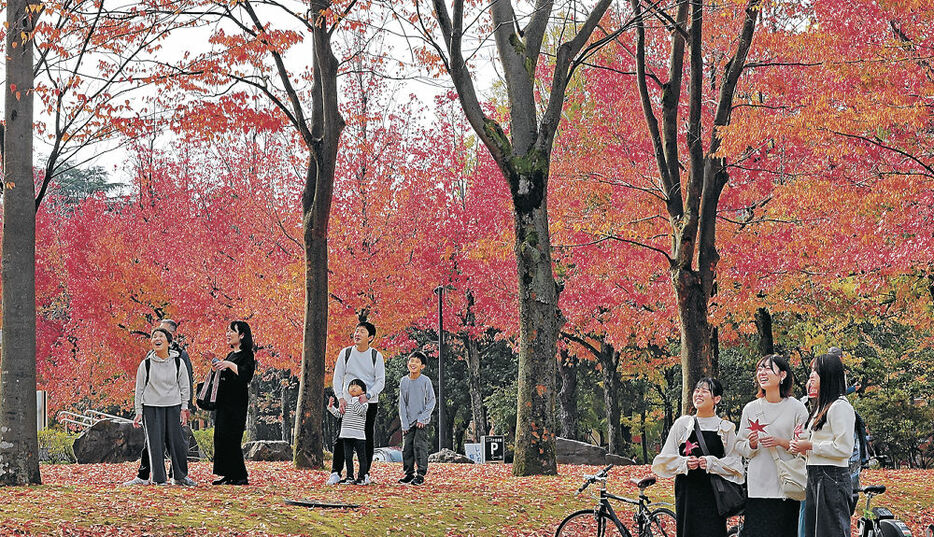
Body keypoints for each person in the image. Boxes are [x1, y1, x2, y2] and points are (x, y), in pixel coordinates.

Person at [652, 378, 744, 537]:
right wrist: (684, 463)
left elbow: (735, 464)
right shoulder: (683, 424)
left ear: (717, 399)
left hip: (714, 493)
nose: (698, 394)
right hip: (687, 492)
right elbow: (662, 461)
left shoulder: (725, 428)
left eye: (705, 391)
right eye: (697, 390)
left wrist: (711, 463)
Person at [735, 354, 809, 537]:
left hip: (786, 485)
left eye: (767, 368)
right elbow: (739, 446)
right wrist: (751, 445)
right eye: (759, 369)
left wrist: (781, 442)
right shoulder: (750, 409)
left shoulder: (797, 409)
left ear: (782, 375)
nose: (762, 372)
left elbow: (804, 448)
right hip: (758, 486)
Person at [790, 353, 856, 537]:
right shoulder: (821, 407)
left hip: (831, 476)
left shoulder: (840, 406)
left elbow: (844, 448)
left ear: (828, 375)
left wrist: (810, 446)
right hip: (814, 474)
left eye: (816, 371)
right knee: (814, 531)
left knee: (831, 531)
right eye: (811, 371)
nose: (811, 375)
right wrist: (801, 447)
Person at [124, 319, 194, 486]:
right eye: (154, 336)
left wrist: (185, 407)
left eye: (161, 335)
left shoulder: (179, 361)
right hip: (151, 407)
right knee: (154, 444)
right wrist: (138, 411)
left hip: (173, 406)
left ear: (169, 341)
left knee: (177, 443)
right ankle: (158, 478)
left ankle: (179, 476)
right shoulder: (146, 363)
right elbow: (139, 388)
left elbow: (185, 386)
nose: (157, 338)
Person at [326, 321, 385, 486]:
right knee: (341, 437)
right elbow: (338, 377)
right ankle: (336, 472)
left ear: (370, 337)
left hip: (368, 403)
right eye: (356, 331)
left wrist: (368, 395)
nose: (357, 334)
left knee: (366, 437)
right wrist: (340, 398)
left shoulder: (376, 356)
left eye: (362, 332)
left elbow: (380, 381)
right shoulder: (345, 353)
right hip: (347, 402)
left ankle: (364, 474)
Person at [211, 320, 256, 486]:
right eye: (227, 331)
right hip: (224, 402)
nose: (228, 334)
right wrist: (217, 366)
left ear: (242, 334)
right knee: (221, 437)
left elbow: (246, 376)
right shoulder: (230, 354)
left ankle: (240, 475)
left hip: (237, 403)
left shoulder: (247, 355)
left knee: (233, 438)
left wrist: (230, 365)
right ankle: (227, 474)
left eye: (232, 331)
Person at [398, 351, 436, 486]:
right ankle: (409, 474)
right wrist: (404, 423)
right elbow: (402, 403)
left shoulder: (425, 381)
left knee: (419, 447)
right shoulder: (404, 381)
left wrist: (423, 418)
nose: (413, 364)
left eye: (417, 362)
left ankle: (420, 474)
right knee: (407, 448)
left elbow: (431, 401)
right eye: (411, 361)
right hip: (408, 421)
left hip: (421, 422)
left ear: (422, 366)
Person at [326, 379, 370, 485]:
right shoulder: (346, 403)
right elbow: (339, 415)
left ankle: (362, 477)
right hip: (346, 434)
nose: (353, 388)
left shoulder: (364, 403)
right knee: (348, 457)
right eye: (351, 386)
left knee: (361, 457)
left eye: (356, 386)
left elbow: (360, 411)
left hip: (359, 435)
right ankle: (349, 477)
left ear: (363, 391)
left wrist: (355, 399)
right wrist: (331, 407)